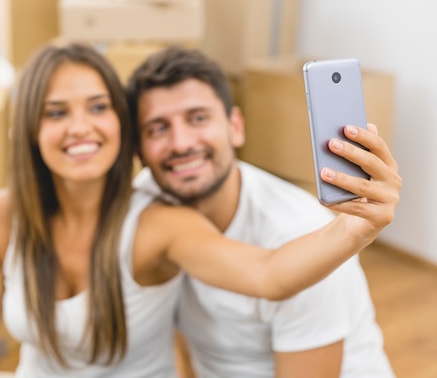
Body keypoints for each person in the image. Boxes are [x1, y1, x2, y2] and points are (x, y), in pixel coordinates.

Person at [0, 42, 400, 378]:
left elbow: (269, 275)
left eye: (98, 107)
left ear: (235, 125)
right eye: (55, 112)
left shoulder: (166, 222)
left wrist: (352, 231)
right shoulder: (6, 216)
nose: (181, 143)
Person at [126, 46, 401, 378]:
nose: (181, 143)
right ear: (139, 150)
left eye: (198, 118)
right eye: (158, 128)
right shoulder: (148, 204)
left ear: (235, 127)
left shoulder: (303, 236)